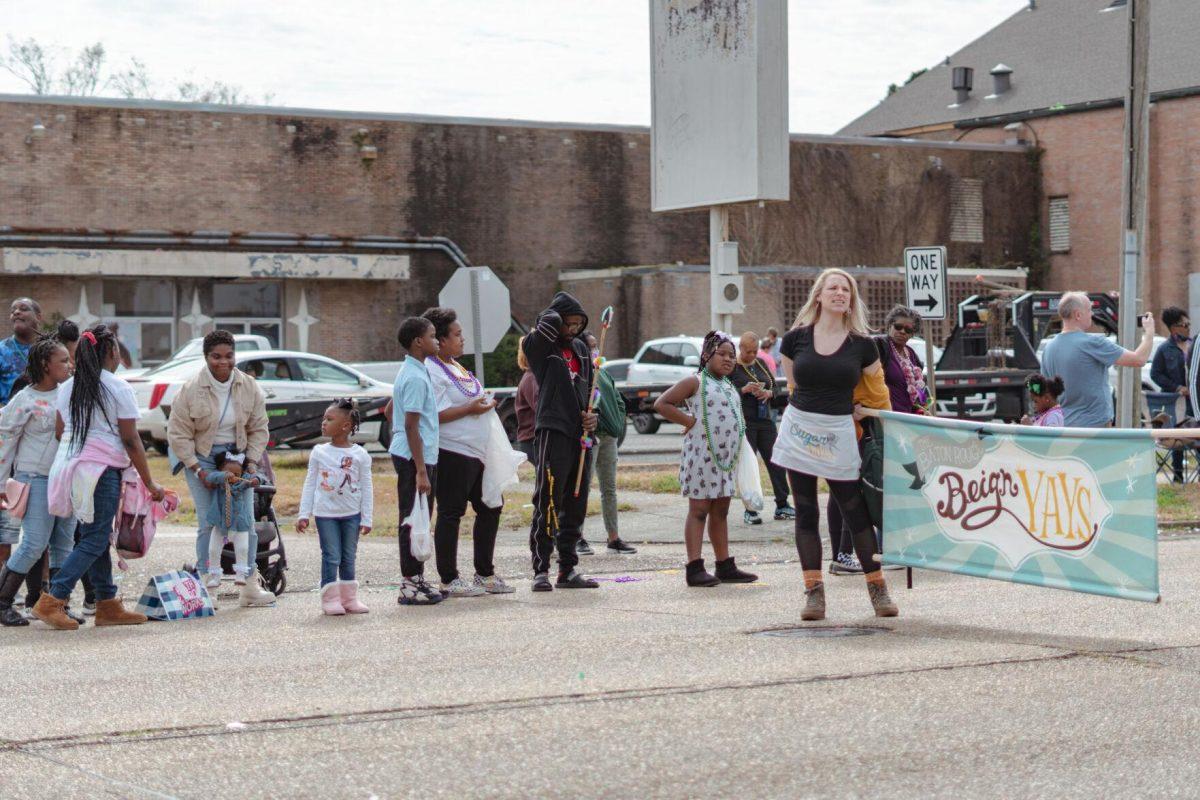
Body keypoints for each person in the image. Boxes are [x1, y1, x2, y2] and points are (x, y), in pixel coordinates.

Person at [771, 267, 899, 621]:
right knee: (806, 511)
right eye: (833, 288)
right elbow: (794, 387)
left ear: (851, 299)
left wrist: (867, 414)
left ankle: (878, 589)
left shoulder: (864, 345)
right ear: (819, 295)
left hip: (840, 431)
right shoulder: (794, 339)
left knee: (854, 511)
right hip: (799, 431)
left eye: (846, 289)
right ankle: (814, 594)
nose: (840, 293)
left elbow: (880, 394)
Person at [31, 324, 165, 630]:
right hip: (102, 472)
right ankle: (52, 600)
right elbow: (131, 440)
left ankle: (107, 605)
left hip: (74, 471)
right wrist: (150, 482)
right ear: (112, 351)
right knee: (93, 539)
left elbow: (60, 431)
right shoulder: (118, 387)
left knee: (95, 536)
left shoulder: (67, 387)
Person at [166, 329, 276, 608]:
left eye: (229, 356)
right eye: (216, 356)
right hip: (201, 458)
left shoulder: (249, 386)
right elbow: (178, 433)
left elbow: (259, 428)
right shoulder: (191, 388)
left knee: (246, 524)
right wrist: (196, 469)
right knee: (209, 523)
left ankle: (250, 585)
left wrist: (250, 462)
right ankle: (207, 587)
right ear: (206, 357)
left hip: (237, 459)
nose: (223, 362)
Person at [422, 307, 515, 597]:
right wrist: (471, 408)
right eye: (457, 335)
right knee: (451, 512)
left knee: (491, 505)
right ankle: (449, 578)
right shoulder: (432, 369)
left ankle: (484, 574)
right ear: (440, 339)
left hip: (478, 451)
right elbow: (434, 414)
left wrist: (484, 405)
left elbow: (469, 399)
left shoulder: (456, 366)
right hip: (452, 451)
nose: (463, 340)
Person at [654, 331, 759, 587]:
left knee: (721, 510)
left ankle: (724, 565)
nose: (728, 359)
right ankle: (694, 567)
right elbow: (662, 403)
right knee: (699, 510)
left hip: (724, 460)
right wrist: (689, 421)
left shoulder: (729, 385)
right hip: (702, 457)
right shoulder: (695, 382)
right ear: (706, 355)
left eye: (731, 356)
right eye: (721, 354)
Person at [521, 292, 600, 591]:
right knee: (548, 499)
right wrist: (555, 313)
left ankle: (567, 569)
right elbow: (547, 325)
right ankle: (540, 569)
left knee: (575, 501)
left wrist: (595, 418)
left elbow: (592, 392)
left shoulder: (581, 349)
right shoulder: (540, 347)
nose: (573, 330)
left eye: (579, 324)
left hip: (580, 434)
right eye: (569, 323)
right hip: (553, 429)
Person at [0, 338, 77, 627]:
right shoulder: (26, 399)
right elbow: (5, 441)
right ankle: (3, 602)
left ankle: (54, 605)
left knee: (63, 545)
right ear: (45, 365)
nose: (69, 366)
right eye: (63, 361)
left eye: (69, 361)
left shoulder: (69, 393)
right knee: (33, 543)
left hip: (65, 478)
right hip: (35, 478)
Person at [297, 399, 373, 615]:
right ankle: (330, 599)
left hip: (352, 515)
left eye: (329, 419)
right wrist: (304, 514)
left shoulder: (361, 455)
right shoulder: (319, 452)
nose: (323, 423)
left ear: (346, 426)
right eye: (324, 418)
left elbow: (367, 487)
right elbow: (310, 483)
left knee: (349, 556)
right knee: (331, 555)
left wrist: (366, 518)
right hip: (325, 515)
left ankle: (349, 599)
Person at [390, 316, 444, 605]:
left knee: (421, 516)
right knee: (412, 519)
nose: (437, 341)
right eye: (433, 336)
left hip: (419, 454)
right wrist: (421, 471)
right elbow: (411, 426)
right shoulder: (413, 376)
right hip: (415, 458)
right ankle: (409, 584)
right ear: (417, 342)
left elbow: (392, 411)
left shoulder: (415, 371)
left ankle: (418, 578)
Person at [1041, 291, 1154, 428]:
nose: (1092, 314)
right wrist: (1149, 333)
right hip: (1094, 426)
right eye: (1089, 310)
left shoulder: (1048, 348)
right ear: (1078, 315)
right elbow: (1139, 359)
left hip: (1063, 426)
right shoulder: (1093, 342)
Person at [729, 331, 793, 525]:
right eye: (748, 351)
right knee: (749, 466)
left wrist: (768, 393)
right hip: (746, 422)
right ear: (740, 348)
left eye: (755, 351)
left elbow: (776, 388)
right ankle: (750, 509)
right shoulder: (733, 368)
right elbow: (726, 394)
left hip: (765, 420)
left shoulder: (761, 364)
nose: (751, 355)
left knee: (776, 462)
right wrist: (744, 390)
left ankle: (782, 505)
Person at [584, 331, 637, 555]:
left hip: (609, 437)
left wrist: (618, 418)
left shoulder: (602, 373)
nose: (596, 350)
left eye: (597, 346)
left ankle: (613, 537)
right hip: (591, 438)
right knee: (582, 488)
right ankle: (577, 536)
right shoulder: (582, 374)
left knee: (609, 489)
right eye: (591, 346)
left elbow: (616, 399)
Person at [0, 298, 44, 567]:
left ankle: (40, 591)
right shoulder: (2, 351)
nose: (16, 312)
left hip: (41, 443)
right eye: (13, 309)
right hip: (7, 441)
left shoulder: (49, 351)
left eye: (24, 308)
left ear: (39, 317)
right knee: (5, 522)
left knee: (40, 522)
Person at [1151, 307, 1191, 481]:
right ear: (1174, 327)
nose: (1189, 327)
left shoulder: (1193, 345)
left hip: (1194, 401)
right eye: (1185, 324)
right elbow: (1155, 374)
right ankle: (1178, 476)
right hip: (1174, 402)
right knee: (1177, 434)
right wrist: (1177, 387)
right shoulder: (1164, 349)